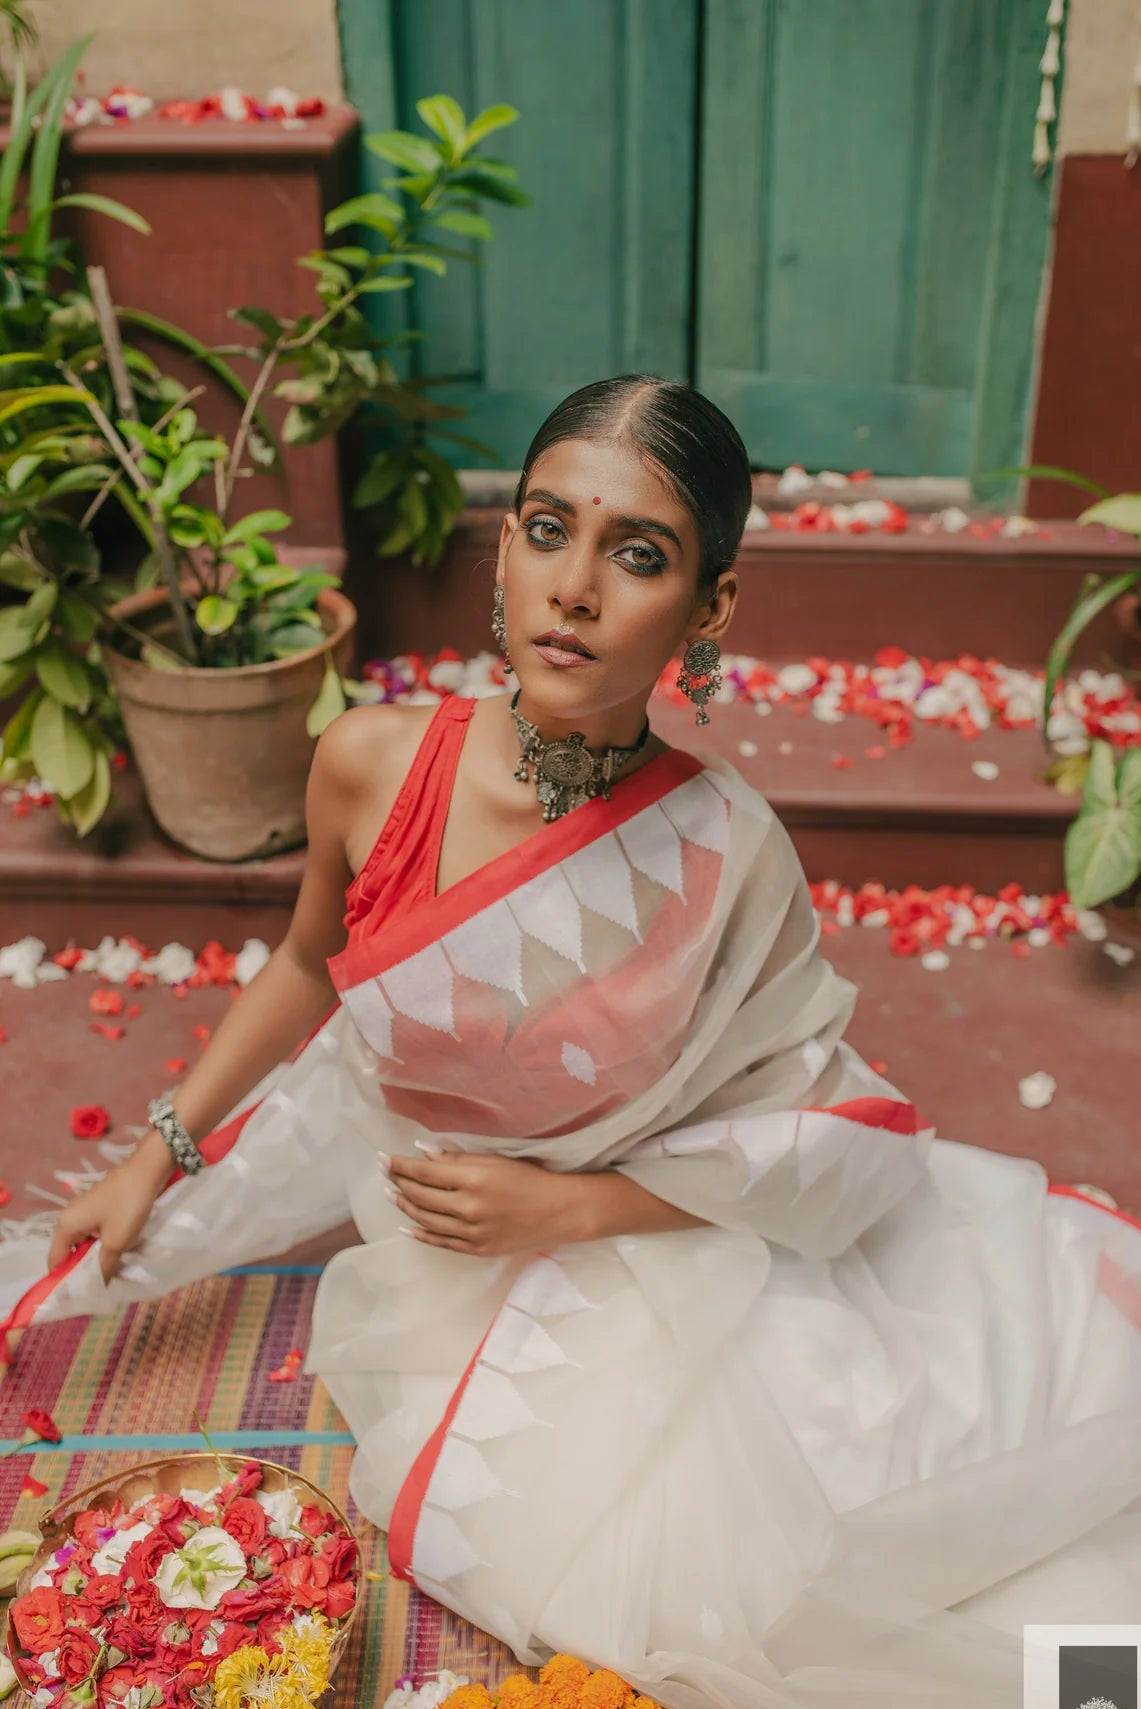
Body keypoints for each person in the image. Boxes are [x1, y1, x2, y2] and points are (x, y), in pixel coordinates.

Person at [8, 376, 1141, 1709]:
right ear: (505, 547)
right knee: (601, 1562)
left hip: (654, 1236)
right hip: (446, 1249)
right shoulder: (369, 762)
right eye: (546, 528)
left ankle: (1095, 1677)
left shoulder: (722, 845)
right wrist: (163, 1148)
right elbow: (314, 961)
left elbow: (822, 1120)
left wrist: (567, 1205)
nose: (575, 586)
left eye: (639, 553)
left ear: (710, 607)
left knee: (780, 1564)